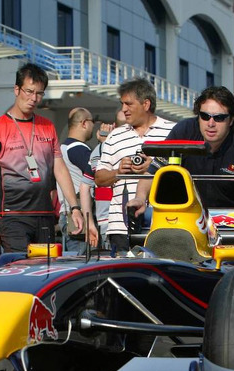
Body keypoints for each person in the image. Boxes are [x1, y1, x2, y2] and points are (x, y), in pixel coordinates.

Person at [0, 63, 84, 256]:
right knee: (21, 270)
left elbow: (60, 170)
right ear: (16, 89)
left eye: (40, 93)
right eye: (29, 91)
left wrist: (74, 207)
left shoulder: (47, 127)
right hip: (11, 216)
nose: (34, 98)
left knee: (45, 272)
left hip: (44, 215)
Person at [94, 78, 175, 252]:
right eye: (122, 104)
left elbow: (184, 173)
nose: (124, 109)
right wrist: (118, 171)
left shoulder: (172, 131)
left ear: (146, 104)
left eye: (129, 104)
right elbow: (99, 178)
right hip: (120, 226)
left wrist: (154, 167)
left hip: (163, 224)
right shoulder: (115, 136)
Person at [149, 86, 234, 208]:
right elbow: (152, 173)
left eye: (219, 118)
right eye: (205, 116)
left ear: (231, 120)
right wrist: (139, 198)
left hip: (231, 222)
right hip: (185, 216)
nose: (211, 123)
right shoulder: (183, 131)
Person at [59, 107, 99, 253]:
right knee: (84, 263)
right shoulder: (78, 149)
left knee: (75, 260)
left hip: (68, 213)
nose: (93, 126)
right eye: (92, 121)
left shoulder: (62, 148)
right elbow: (98, 175)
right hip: (80, 215)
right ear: (84, 123)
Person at [89, 111, 126, 247]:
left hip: (106, 219)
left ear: (114, 125)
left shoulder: (99, 150)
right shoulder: (137, 146)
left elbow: (86, 184)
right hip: (130, 217)